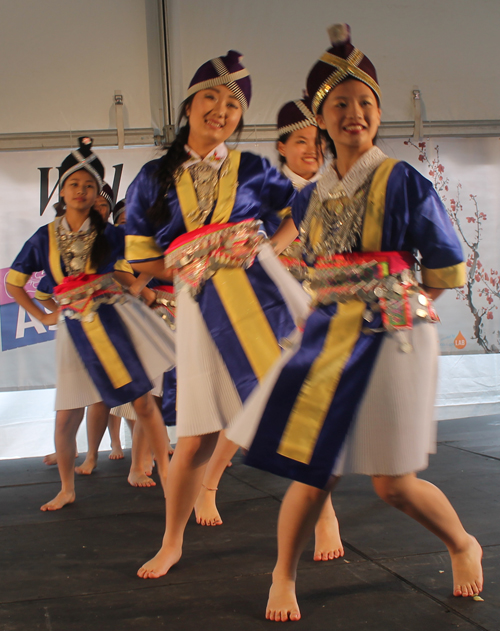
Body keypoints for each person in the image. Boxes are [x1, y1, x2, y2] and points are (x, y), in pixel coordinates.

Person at [227, 24, 482, 621]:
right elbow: (296, 258)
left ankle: (463, 544)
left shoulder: (402, 181)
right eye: (340, 104)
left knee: (393, 484)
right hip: (327, 335)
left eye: (365, 103)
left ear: (379, 112)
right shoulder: (307, 197)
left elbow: (445, 269)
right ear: (320, 118)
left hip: (395, 336)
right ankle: (282, 574)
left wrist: (395, 304)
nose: (354, 113)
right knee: (313, 467)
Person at [125, 50, 309, 578]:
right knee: (199, 435)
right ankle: (172, 540)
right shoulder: (153, 178)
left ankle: (322, 526)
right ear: (189, 104)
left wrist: (263, 249)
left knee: (289, 408)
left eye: (232, 104)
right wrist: (188, 263)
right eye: (211, 97)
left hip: (261, 295)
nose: (221, 110)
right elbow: (141, 258)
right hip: (200, 303)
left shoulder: (252, 168)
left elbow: (299, 210)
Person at [193, 98, 344, 564]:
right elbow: (246, 239)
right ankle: (215, 486)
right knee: (261, 404)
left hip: (318, 308)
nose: (313, 150)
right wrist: (274, 252)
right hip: (267, 306)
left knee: (296, 410)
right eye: (301, 142)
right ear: (281, 146)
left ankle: (218, 483)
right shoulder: (264, 187)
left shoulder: (335, 189)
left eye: (319, 143)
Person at [6, 137, 175, 511]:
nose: (81, 191)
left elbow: (144, 261)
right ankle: (67, 488)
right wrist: (45, 314)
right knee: (67, 416)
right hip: (72, 329)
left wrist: (180, 266)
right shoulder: (44, 237)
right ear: (61, 190)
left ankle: (167, 474)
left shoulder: (111, 234)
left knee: (143, 402)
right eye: (73, 184)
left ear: (97, 191)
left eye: (88, 185)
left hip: (114, 320)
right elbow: (14, 283)